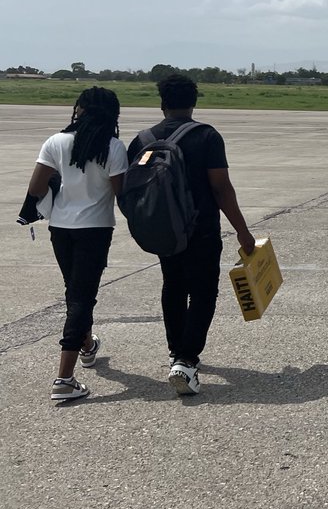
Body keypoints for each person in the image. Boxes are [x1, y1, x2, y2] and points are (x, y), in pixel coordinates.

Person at [128, 74, 255, 397]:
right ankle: (186, 360)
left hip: (164, 231)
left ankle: (176, 352)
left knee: (172, 286)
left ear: (162, 103)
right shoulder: (207, 136)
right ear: (194, 102)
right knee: (202, 292)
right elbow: (221, 187)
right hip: (201, 230)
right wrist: (243, 231)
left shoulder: (142, 140)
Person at [18, 87, 128, 402]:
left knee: (75, 292)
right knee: (82, 296)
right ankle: (64, 378)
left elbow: (36, 187)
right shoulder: (113, 147)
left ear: (78, 109)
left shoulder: (56, 142)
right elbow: (121, 197)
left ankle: (88, 344)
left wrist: (60, 183)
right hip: (95, 229)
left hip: (61, 228)